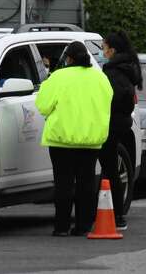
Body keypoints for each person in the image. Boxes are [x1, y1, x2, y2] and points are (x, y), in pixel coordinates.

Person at [35, 41, 113, 237]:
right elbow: (108, 101)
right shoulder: (100, 78)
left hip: (62, 139)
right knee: (87, 183)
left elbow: (43, 105)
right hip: (91, 139)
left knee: (63, 183)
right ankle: (83, 226)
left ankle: (61, 227)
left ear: (68, 58)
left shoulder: (59, 77)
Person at [98, 31, 143, 231]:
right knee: (112, 168)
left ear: (112, 50)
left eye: (103, 48)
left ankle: (116, 215)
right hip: (122, 122)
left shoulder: (113, 72)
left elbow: (111, 99)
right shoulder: (127, 68)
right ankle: (116, 212)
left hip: (111, 123)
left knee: (109, 170)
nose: (102, 52)